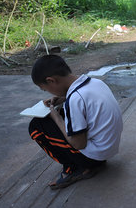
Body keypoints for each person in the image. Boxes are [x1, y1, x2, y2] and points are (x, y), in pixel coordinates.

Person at [28, 55, 123, 189]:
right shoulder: (95, 83)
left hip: (94, 157)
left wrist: (56, 117)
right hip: (108, 148)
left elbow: (79, 144)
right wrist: (63, 97)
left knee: (36, 126)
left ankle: (74, 168)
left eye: (45, 88)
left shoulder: (75, 99)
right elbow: (85, 101)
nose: (47, 92)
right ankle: (88, 163)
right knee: (62, 116)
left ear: (51, 80)